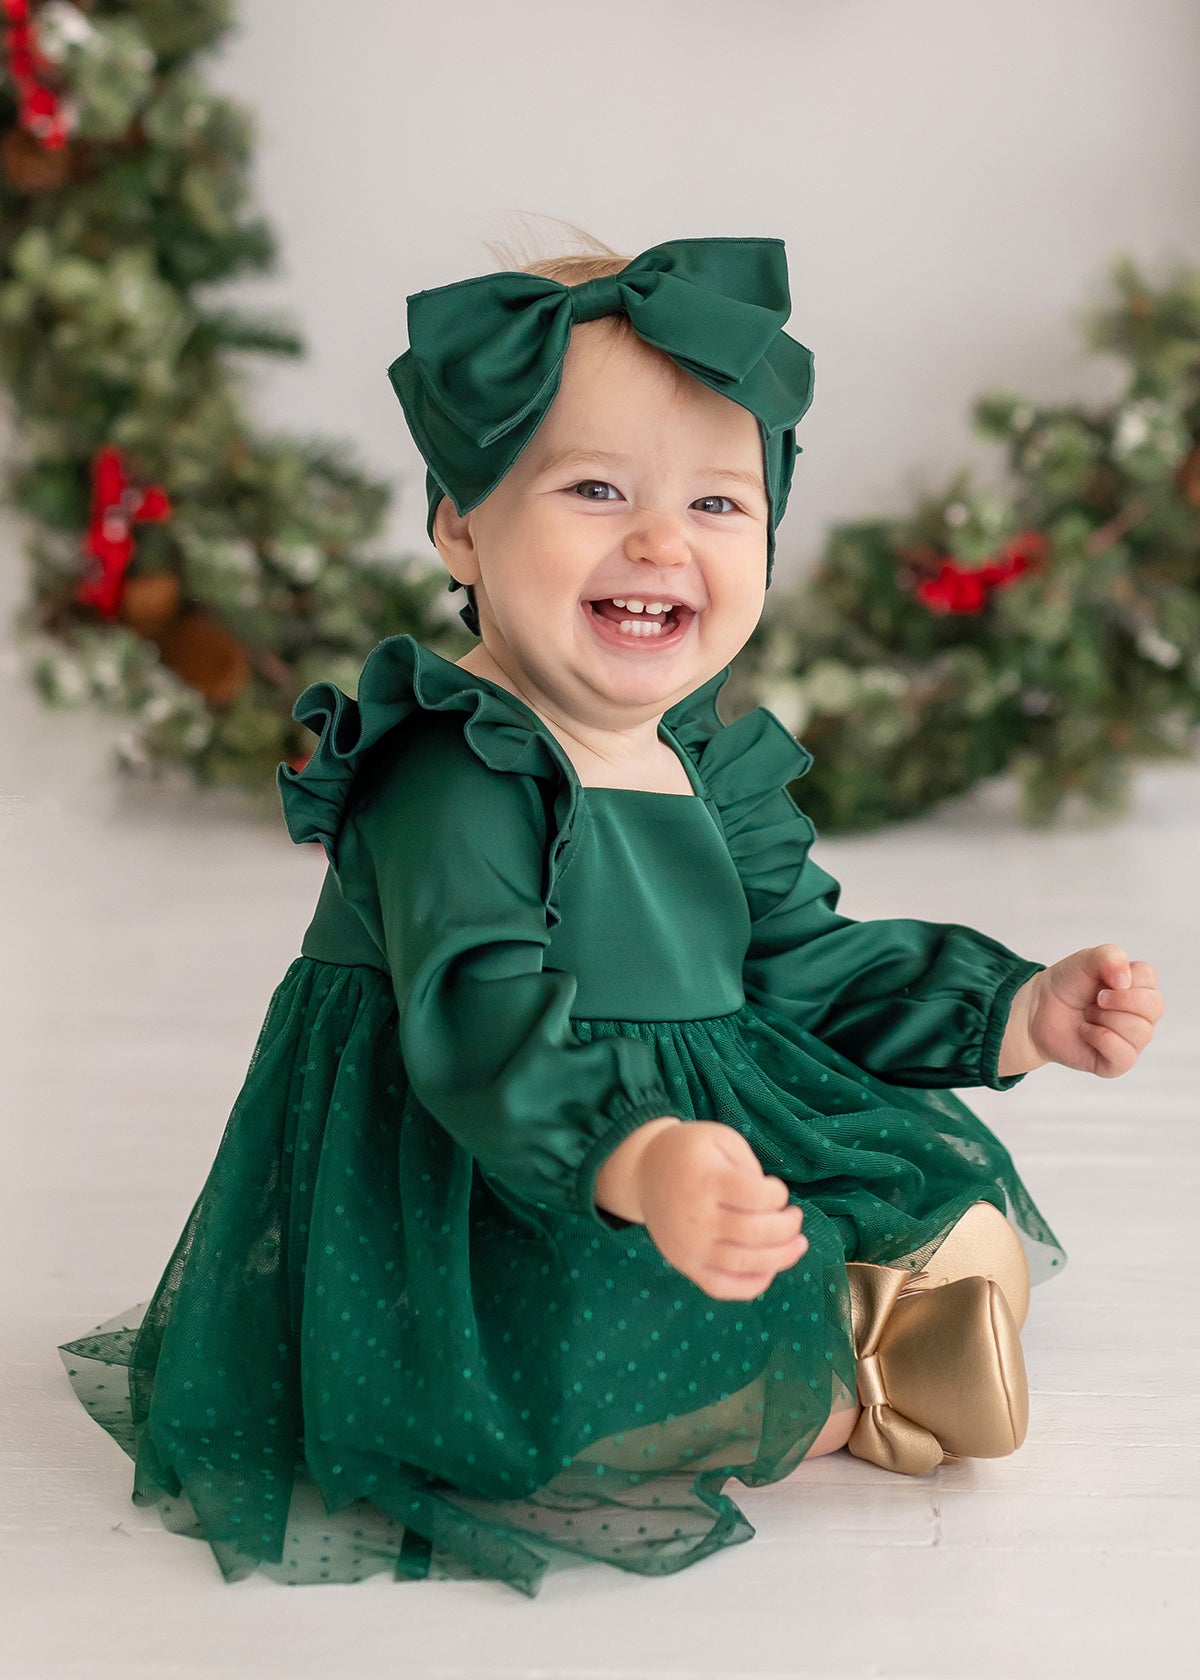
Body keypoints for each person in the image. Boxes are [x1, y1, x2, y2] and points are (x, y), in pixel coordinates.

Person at [58, 233, 1164, 1598]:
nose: (660, 541)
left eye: (718, 503)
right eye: (595, 489)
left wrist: (1016, 1008)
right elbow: (478, 1028)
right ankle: (862, 1369)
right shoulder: (458, 762)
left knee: (879, 1186)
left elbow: (805, 968)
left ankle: (869, 1308)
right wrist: (634, 1162)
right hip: (497, 1159)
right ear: (462, 525)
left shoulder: (702, 757)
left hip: (695, 1123)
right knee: (581, 1352)